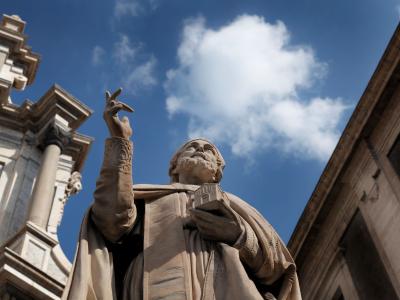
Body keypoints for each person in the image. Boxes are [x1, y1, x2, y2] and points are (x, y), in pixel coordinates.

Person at [63, 89, 301, 300]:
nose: (200, 149)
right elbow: (111, 221)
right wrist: (120, 141)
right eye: (192, 147)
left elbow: (279, 273)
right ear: (173, 167)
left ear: (218, 173)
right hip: (152, 285)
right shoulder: (150, 198)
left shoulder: (242, 210)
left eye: (209, 150)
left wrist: (239, 236)